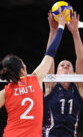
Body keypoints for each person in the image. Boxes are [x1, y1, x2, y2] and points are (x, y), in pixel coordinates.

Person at [0, 8, 68, 137]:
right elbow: (51, 52)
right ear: (21, 70)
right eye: (24, 64)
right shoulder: (35, 79)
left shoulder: (5, 92)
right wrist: (60, 27)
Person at [42, 11, 83, 137]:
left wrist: (75, 33)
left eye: (68, 65)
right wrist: (53, 31)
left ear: (74, 73)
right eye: (62, 65)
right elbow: (49, 57)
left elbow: (81, 59)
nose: (65, 66)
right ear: (56, 72)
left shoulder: (78, 88)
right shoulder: (50, 86)